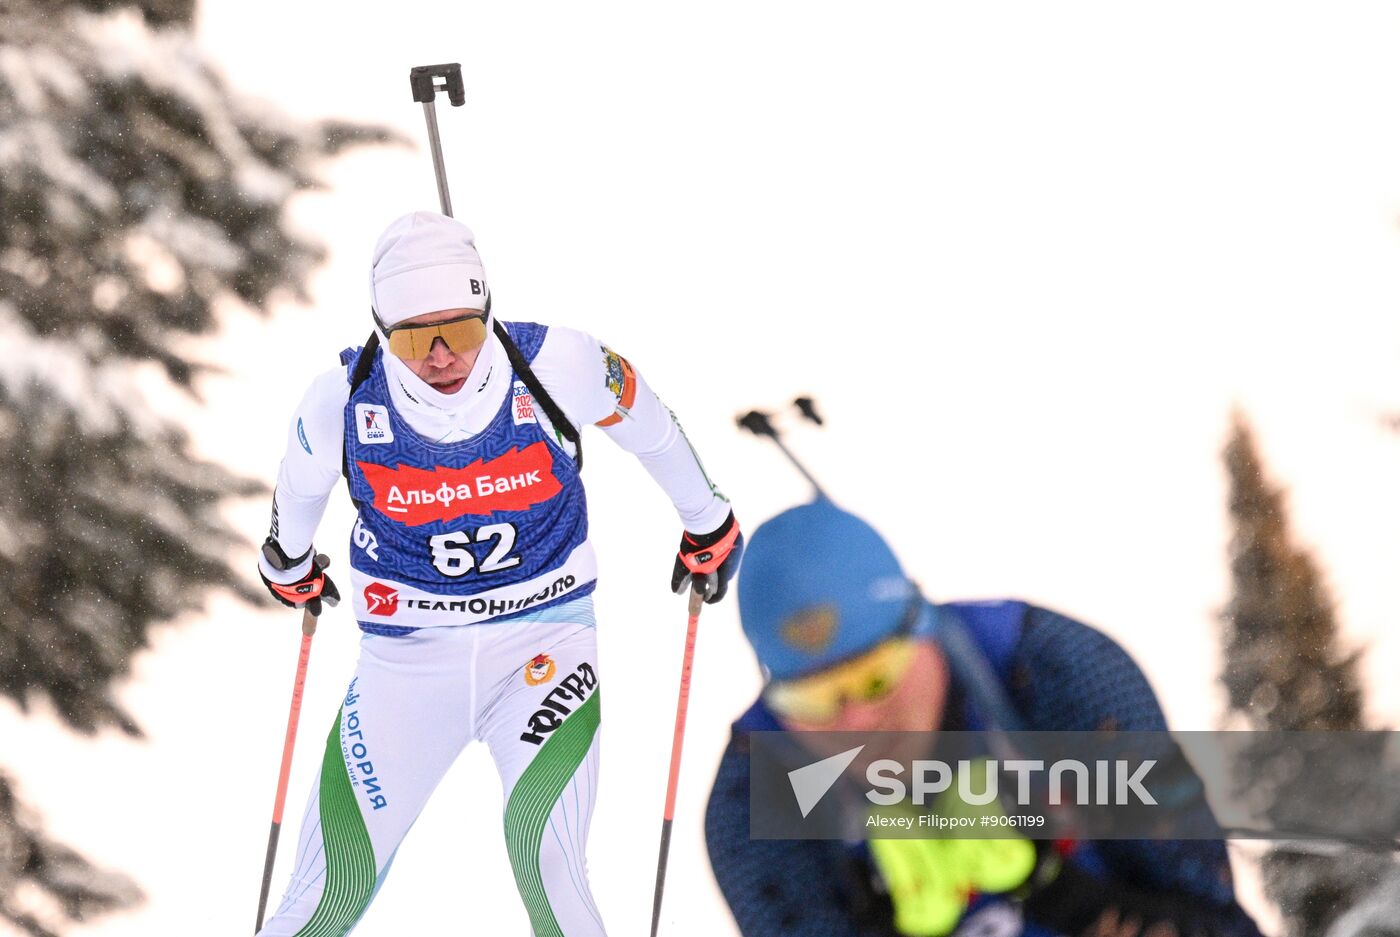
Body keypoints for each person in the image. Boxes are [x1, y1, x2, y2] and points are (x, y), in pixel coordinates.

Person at [254, 211, 742, 936]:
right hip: (406, 662)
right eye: (417, 338)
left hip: (543, 647)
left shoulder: (560, 363)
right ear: (382, 332)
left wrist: (707, 521)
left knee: (546, 857)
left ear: (489, 309)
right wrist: (286, 564)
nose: (444, 356)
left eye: (463, 328)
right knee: (325, 897)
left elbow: (651, 425)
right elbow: (296, 492)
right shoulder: (343, 400)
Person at [705, 499, 1262, 937]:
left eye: (877, 676)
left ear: (922, 627)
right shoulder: (753, 799)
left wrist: (1063, 897)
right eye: (812, 700)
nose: (857, 720)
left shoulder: (1058, 673)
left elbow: (1219, 921)